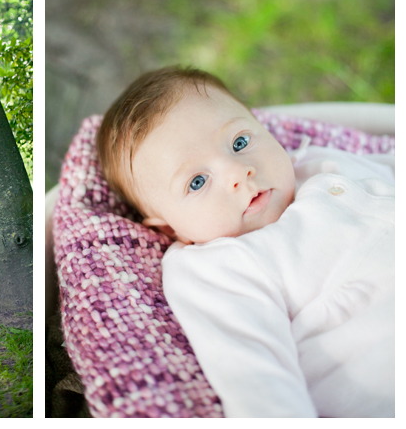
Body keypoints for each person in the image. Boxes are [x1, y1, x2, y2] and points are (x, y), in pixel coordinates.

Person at [96, 65, 394, 417]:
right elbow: (257, 383)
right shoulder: (215, 267)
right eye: (196, 182)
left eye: (239, 142)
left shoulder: (318, 165)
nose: (239, 172)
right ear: (170, 229)